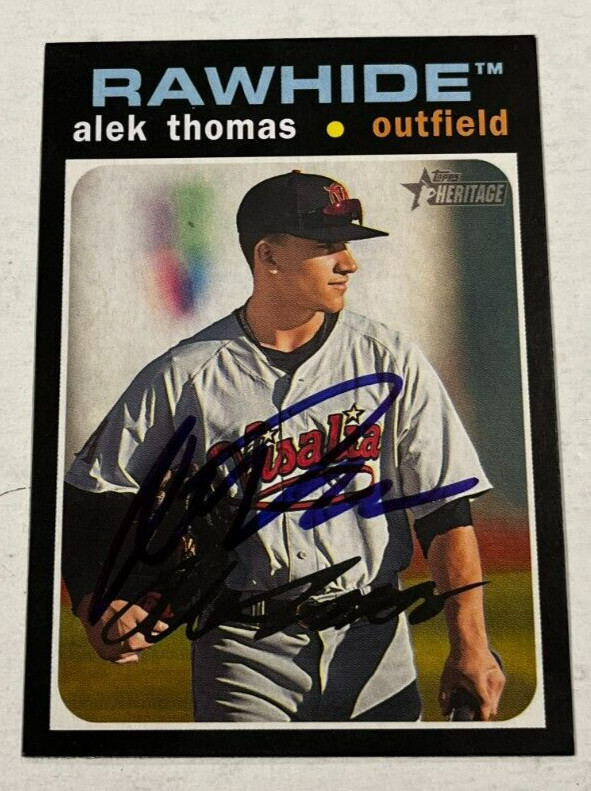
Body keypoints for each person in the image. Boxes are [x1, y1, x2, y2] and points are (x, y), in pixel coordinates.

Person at [62, 169, 505, 722]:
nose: (349, 262)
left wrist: (471, 645)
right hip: (242, 648)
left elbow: (445, 509)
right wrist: (96, 601)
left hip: (374, 642)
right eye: (327, 246)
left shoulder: (389, 359)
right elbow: (92, 491)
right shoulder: (186, 375)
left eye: (347, 245)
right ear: (268, 255)